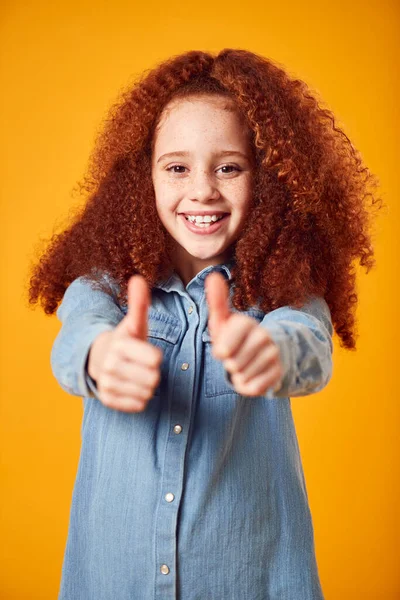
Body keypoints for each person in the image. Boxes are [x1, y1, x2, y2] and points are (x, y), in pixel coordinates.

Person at [27, 48, 383, 600]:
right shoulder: (105, 286)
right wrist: (101, 357)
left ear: (266, 182)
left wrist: (269, 351)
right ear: (140, 179)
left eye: (229, 167)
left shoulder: (283, 292)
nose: (203, 190)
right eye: (177, 167)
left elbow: (308, 344)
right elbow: (77, 336)